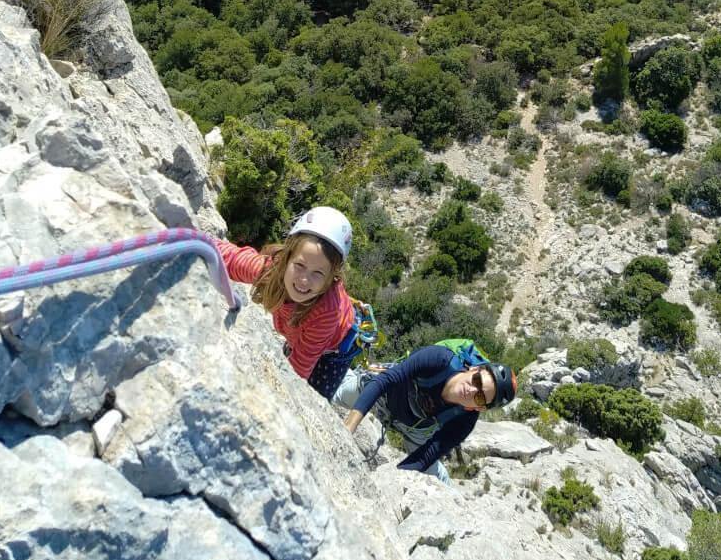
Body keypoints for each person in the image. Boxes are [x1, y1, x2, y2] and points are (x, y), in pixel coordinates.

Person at [214, 206, 364, 400]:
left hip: (335, 349)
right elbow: (231, 259)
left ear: (331, 278)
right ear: (287, 258)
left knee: (313, 397)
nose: (304, 280)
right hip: (305, 330)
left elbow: (298, 371)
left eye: (318, 273)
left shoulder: (326, 311)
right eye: (300, 265)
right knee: (297, 344)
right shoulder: (272, 271)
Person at [335, 345, 517, 483]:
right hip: (386, 394)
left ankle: (449, 490)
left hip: (417, 429)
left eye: (479, 398)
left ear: (479, 408)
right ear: (473, 370)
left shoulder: (465, 420)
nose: (471, 391)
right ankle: (346, 375)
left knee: (435, 477)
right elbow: (384, 382)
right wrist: (347, 431)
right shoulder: (439, 359)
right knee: (333, 396)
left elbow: (428, 454)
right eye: (476, 381)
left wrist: (393, 480)